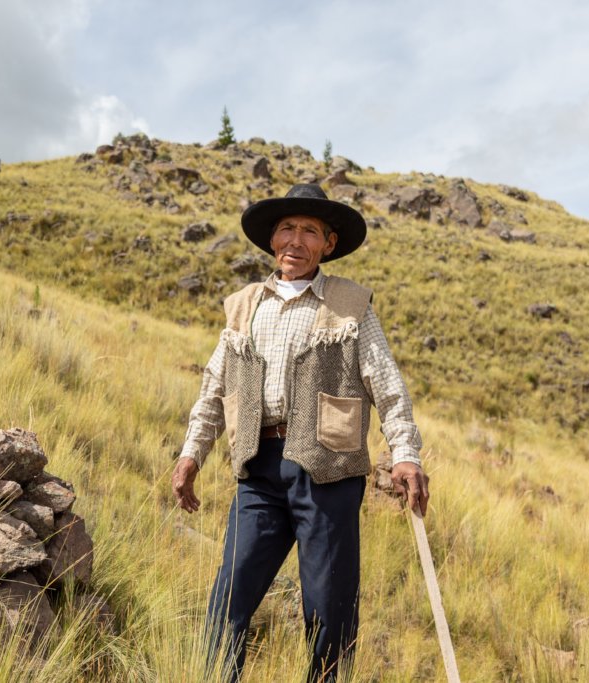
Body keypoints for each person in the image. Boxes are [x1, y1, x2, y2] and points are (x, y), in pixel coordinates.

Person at [172, 183, 429, 682]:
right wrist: (191, 455)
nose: (295, 240)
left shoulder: (351, 304)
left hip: (329, 470)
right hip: (259, 468)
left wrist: (406, 454)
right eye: (287, 228)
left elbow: (386, 381)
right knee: (230, 593)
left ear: (328, 245)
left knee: (327, 610)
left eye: (309, 231)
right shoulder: (244, 306)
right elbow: (213, 387)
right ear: (272, 240)